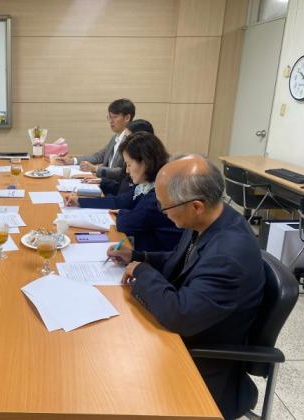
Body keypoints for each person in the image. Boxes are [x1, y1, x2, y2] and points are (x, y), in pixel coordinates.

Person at [107, 155, 265, 420]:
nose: (161, 211)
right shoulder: (210, 220)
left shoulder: (228, 256)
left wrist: (143, 273)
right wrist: (138, 258)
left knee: (109, 381)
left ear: (196, 206)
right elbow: (177, 263)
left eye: (164, 206)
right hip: (180, 340)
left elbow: (181, 315)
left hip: (201, 366)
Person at [65, 131, 182, 252]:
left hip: (157, 261)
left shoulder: (158, 195)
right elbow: (120, 201)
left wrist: (122, 212)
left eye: (129, 164)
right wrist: (79, 201)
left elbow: (125, 223)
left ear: (145, 163)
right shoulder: (146, 185)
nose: (126, 170)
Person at [56, 98, 135, 180]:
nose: (111, 121)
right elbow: (99, 156)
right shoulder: (116, 137)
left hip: (115, 187)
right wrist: (73, 161)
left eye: (114, 117)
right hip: (105, 181)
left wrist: (95, 169)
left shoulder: (131, 141)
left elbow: (123, 171)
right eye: (109, 117)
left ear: (127, 118)